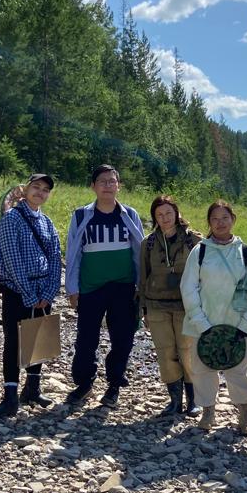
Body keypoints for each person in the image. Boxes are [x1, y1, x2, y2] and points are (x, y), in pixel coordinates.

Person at [64, 164, 145, 409]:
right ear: (93, 186)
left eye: (112, 181)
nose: (108, 185)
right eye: (103, 181)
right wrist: (72, 288)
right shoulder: (81, 216)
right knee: (86, 338)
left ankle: (114, 384)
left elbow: (140, 252)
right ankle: (84, 383)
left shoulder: (130, 215)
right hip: (90, 287)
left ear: (119, 186)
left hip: (123, 287)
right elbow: (73, 253)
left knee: (123, 338)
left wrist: (141, 286)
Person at [180, 200, 247, 433]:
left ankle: (245, 415)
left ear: (233, 220)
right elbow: (188, 288)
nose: (220, 223)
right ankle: (208, 412)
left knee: (239, 370)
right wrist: (201, 322)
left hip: (236, 323)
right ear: (209, 222)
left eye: (225, 218)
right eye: (215, 219)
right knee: (203, 368)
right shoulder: (200, 251)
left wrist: (246, 323)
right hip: (203, 322)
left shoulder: (244, 251)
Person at [0, 173, 63, 418]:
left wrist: (50, 290)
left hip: (43, 290)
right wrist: (30, 294)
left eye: (45, 190)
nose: (40, 192)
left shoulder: (48, 223)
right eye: (36, 187)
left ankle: (32, 389)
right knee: (14, 341)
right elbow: (12, 260)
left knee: (39, 338)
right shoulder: (11, 218)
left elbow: (55, 259)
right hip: (16, 290)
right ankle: (9, 396)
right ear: (26, 189)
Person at [139, 195, 203, 417]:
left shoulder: (194, 241)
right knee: (165, 353)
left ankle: (193, 401)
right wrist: (143, 309)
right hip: (157, 306)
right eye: (159, 215)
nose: (164, 218)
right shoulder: (147, 244)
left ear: (176, 213)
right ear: (154, 218)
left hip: (187, 307)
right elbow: (143, 277)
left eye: (168, 213)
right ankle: (174, 401)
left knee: (187, 352)